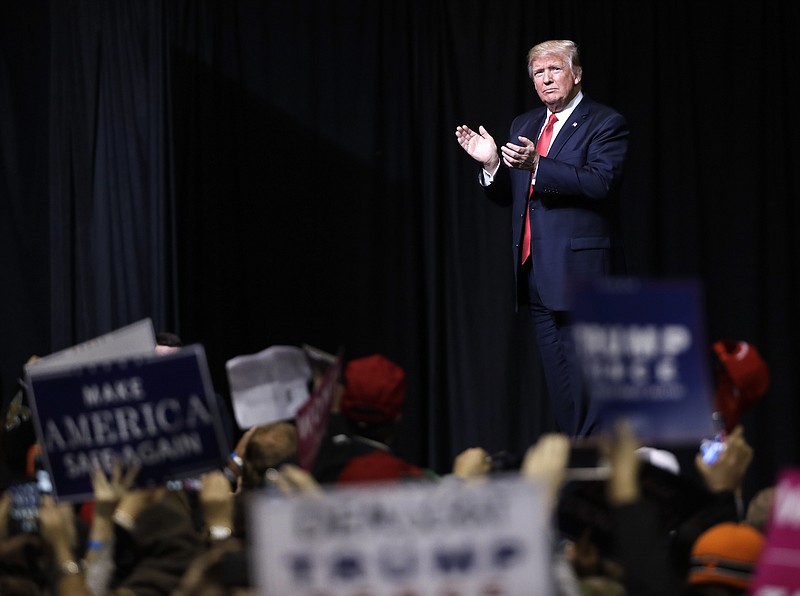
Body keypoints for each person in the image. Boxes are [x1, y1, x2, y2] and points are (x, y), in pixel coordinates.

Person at [455, 39, 629, 437]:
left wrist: (539, 164)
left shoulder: (605, 122)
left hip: (582, 277)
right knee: (563, 391)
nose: (546, 79)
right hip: (536, 277)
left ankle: (596, 481)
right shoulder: (524, 124)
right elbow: (513, 195)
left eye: (555, 69)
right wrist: (492, 164)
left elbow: (600, 184)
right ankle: (575, 475)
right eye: (538, 72)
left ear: (577, 74)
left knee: (590, 391)